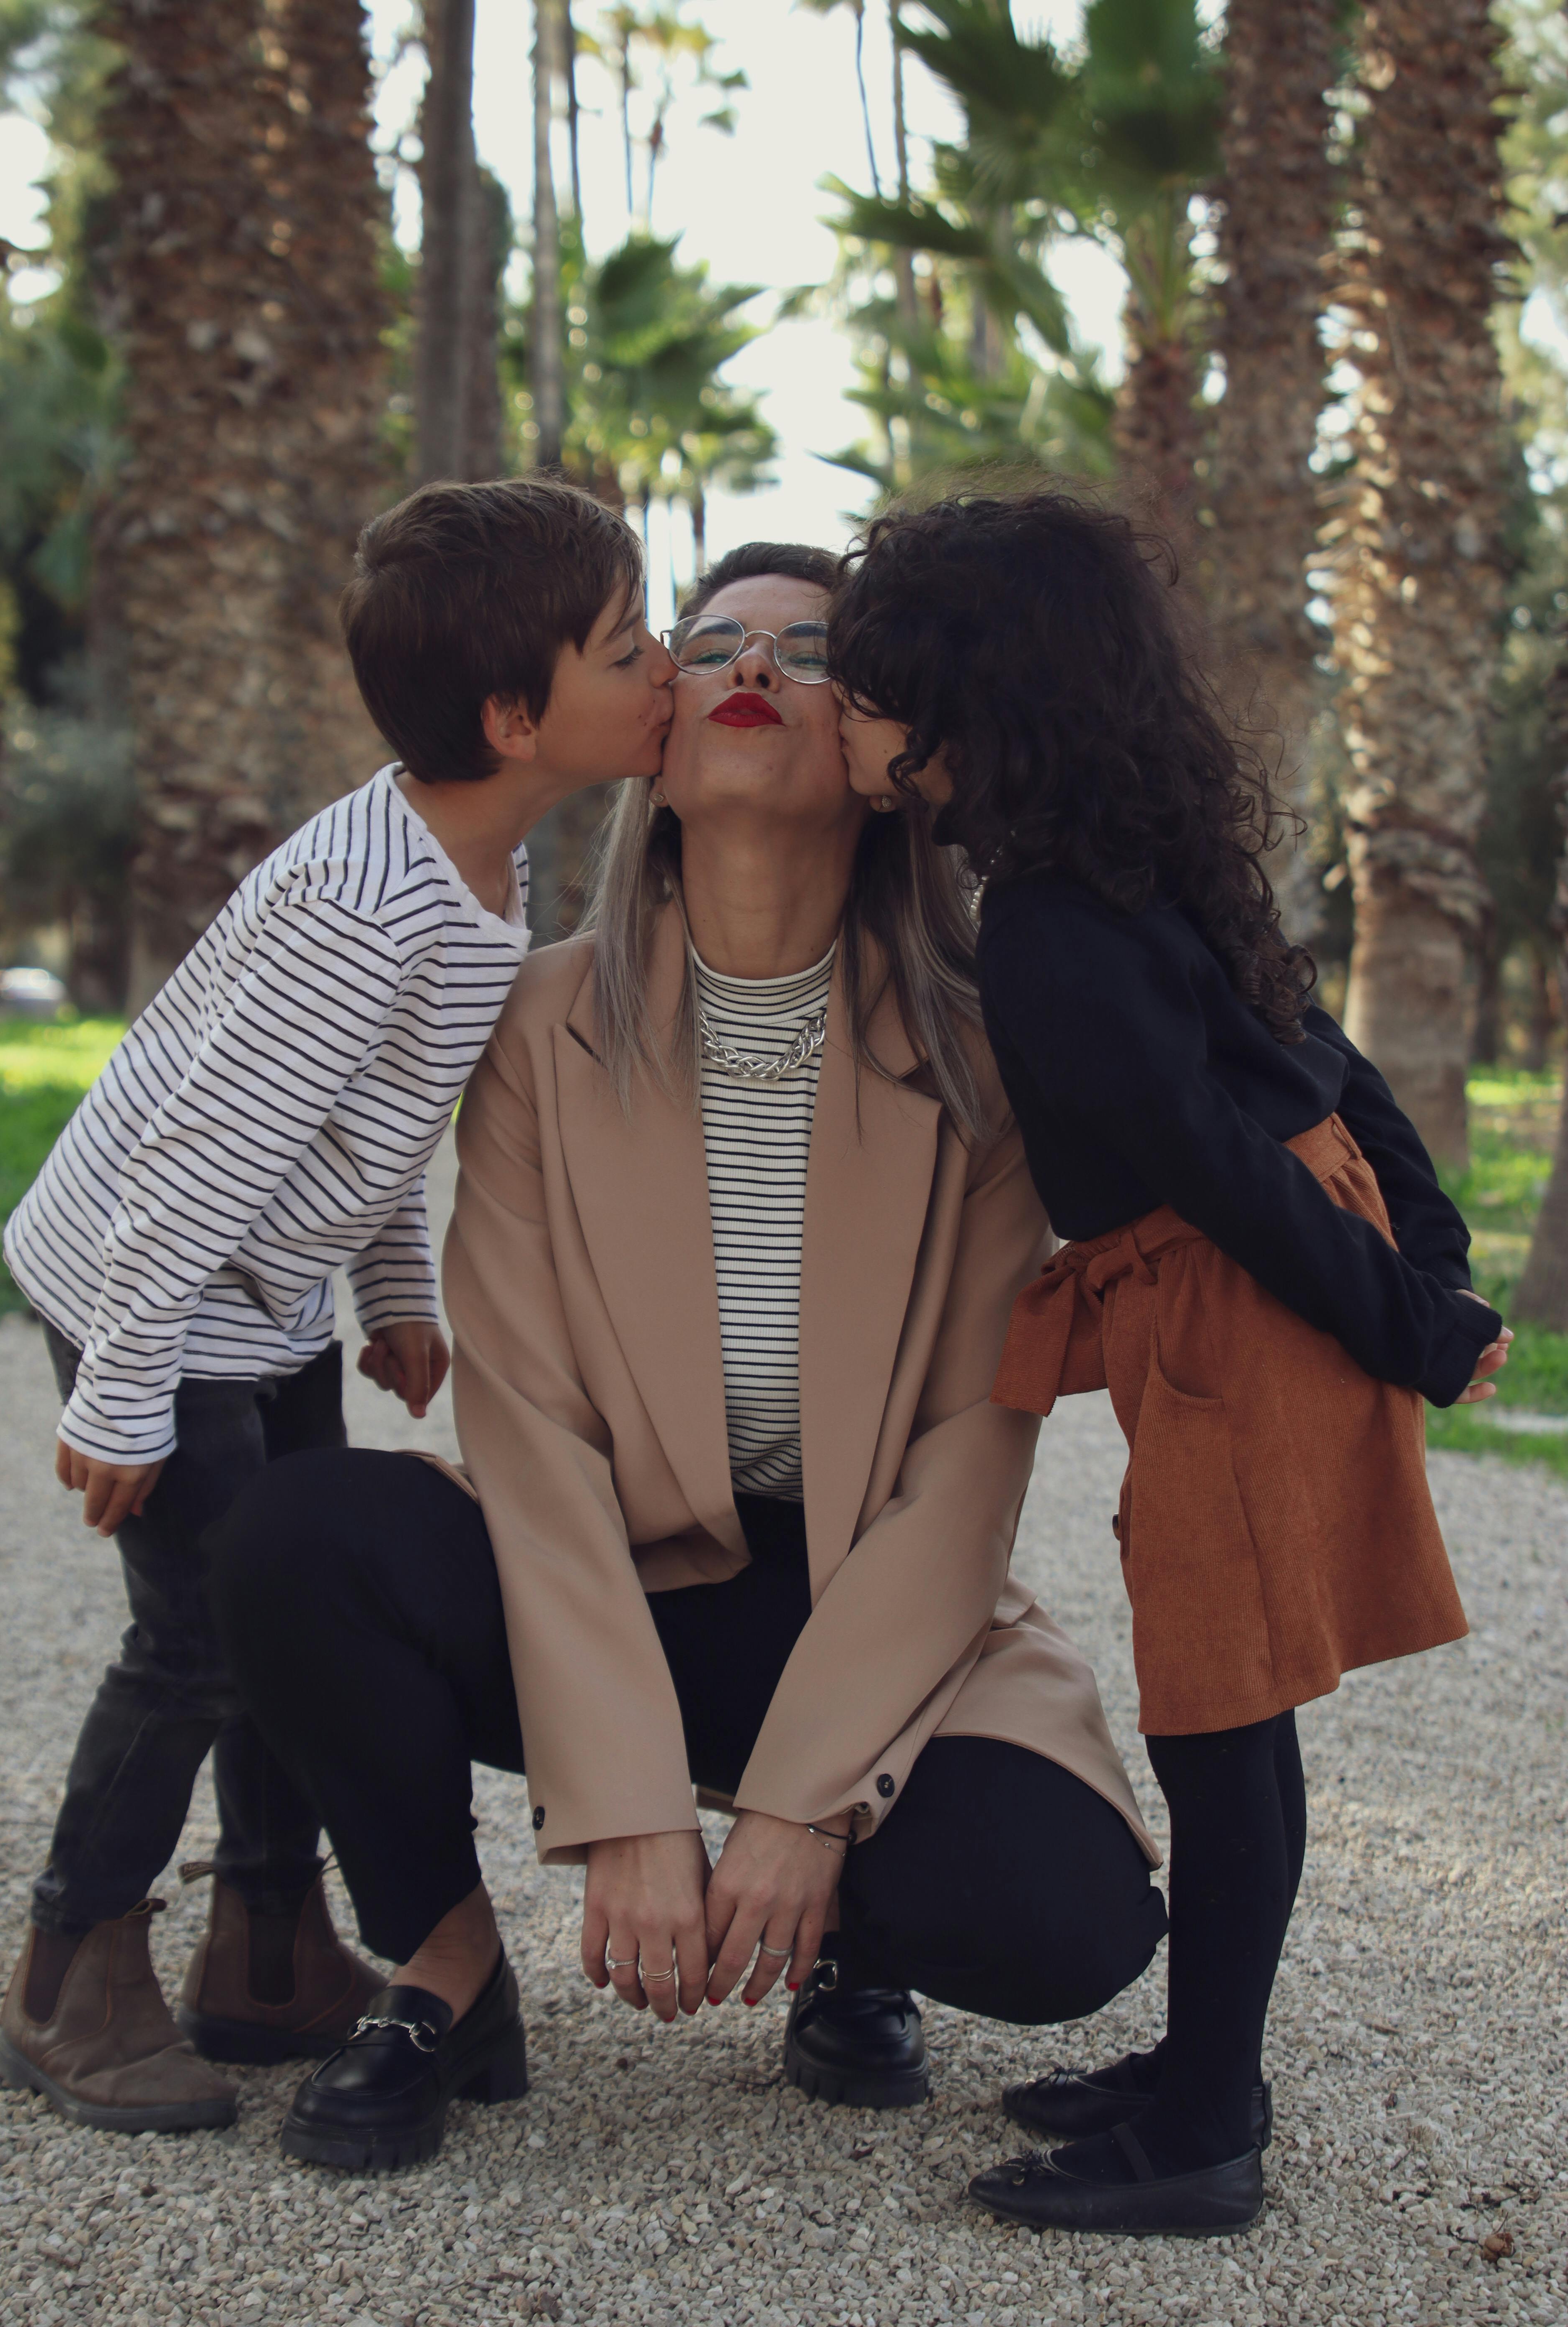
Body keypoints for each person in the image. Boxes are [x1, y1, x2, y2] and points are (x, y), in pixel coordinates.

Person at [209, 541, 1170, 2175]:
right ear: (653, 740)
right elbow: (524, 1422)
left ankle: (853, 1944)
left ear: (881, 760)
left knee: (1061, 1920)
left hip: (857, 1592)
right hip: (615, 1585)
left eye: (806, 655)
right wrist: (629, 1810)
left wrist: (798, 1812)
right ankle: (445, 1974)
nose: (746, 664)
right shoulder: (534, 1029)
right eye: (708, 639)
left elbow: (966, 1460)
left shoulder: (983, 1052)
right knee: (298, 1541)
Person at [827, 486, 1511, 2237]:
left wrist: (1412, 1322)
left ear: (976, 719)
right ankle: (1203, 2067)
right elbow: (1324, 1060)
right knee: (1237, 1718)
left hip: (1243, 1304)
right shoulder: (1132, 856)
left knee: (1217, 1721)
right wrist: (1429, 1252)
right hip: (1269, 1270)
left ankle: (1207, 2125)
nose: (861, 727)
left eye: (879, 697)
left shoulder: (1053, 930)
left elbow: (1219, 1169)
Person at [0, 476, 676, 2136]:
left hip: (262, 1298)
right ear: (518, 717)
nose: (665, 667)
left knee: (283, 1613)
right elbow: (195, 1155)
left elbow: (367, 1118)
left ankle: (269, 1948)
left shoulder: (477, 869)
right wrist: (124, 1389)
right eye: (629, 646)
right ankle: (66, 1975)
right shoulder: (367, 909)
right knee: (197, 1637)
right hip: (147, 1287)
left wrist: (385, 1288)